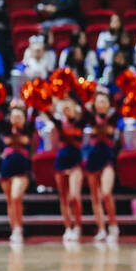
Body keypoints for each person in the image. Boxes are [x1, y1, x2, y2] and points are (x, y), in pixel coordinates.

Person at [84, 91, 120, 243]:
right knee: (95, 197)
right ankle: (101, 228)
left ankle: (113, 225)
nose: (102, 104)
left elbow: (120, 107)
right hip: (93, 159)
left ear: (109, 104)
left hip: (107, 159)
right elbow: (84, 110)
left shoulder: (112, 118)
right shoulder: (91, 118)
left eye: (104, 102)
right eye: (99, 102)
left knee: (106, 193)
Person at [0, 100, 32, 244]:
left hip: (21, 168)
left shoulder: (28, 129)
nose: (17, 119)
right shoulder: (5, 129)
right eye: (14, 116)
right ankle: (15, 228)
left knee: (16, 196)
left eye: (20, 116)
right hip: (6, 168)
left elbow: (35, 113)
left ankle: (18, 227)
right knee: (10, 201)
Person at [53, 99, 85, 243]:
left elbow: (87, 112)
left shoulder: (80, 123)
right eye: (64, 107)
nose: (67, 109)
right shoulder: (60, 124)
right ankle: (67, 227)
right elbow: (49, 114)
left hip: (75, 163)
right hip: (61, 162)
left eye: (69, 107)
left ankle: (78, 225)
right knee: (63, 197)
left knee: (74, 196)